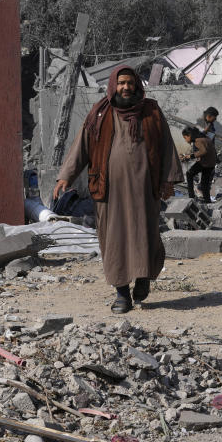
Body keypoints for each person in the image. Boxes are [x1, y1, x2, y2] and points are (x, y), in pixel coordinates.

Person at [53, 66, 182, 314]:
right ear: (114, 85)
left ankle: (143, 280)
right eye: (121, 83)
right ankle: (122, 294)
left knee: (146, 234)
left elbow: (166, 145)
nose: (126, 87)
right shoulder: (101, 113)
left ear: (136, 85)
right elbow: (82, 145)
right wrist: (66, 176)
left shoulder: (151, 111)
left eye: (130, 83)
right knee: (114, 240)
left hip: (145, 189)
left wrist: (169, 180)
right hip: (108, 192)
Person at [181, 126, 216, 202]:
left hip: (205, 163)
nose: (185, 140)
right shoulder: (205, 138)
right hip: (211, 164)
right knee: (204, 184)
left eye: (185, 138)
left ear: (189, 136)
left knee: (189, 174)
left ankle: (191, 197)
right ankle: (207, 200)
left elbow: (203, 151)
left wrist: (191, 156)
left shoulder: (198, 141)